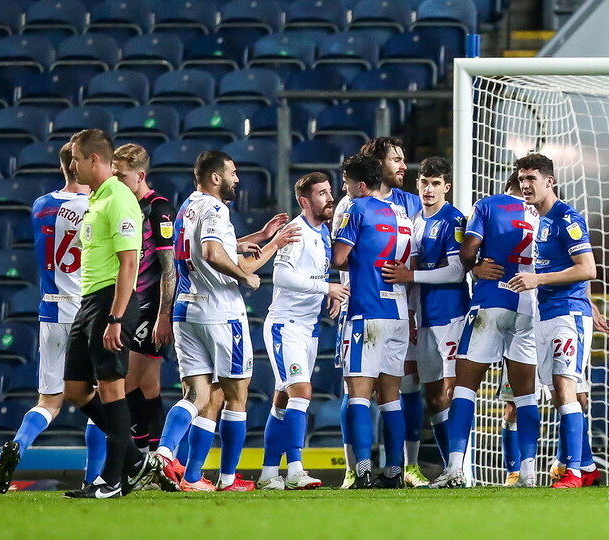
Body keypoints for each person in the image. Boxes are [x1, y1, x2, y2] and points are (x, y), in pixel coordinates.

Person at [153, 150, 296, 492]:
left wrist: (260, 238)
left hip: (186, 311)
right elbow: (214, 253)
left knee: (200, 394)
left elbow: (211, 247)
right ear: (215, 177)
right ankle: (229, 478)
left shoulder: (188, 206)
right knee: (236, 394)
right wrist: (246, 275)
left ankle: (170, 458)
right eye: (232, 173)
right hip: (220, 312)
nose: (237, 179)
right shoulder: (217, 209)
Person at [60, 129, 167, 498]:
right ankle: (136, 459)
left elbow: (128, 264)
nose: (72, 165)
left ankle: (113, 481)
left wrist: (117, 317)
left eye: (75, 158)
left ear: (93, 160)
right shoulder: (97, 197)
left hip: (111, 301)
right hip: (90, 300)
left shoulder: (120, 198)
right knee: (75, 389)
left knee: (110, 387)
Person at [0, 141, 98, 494]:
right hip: (83, 308)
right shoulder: (93, 208)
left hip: (50, 309)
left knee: (48, 401)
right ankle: (94, 475)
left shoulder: (40, 205)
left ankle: (18, 445)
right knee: (100, 394)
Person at [429, 165, 541, 489]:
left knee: (463, 387)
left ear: (507, 184)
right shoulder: (543, 213)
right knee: (524, 397)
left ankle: (454, 469)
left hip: (491, 303)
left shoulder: (487, 205)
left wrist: (475, 266)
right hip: (529, 308)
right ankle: (528, 473)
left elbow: (466, 252)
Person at [335, 136, 423, 488]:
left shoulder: (354, 208)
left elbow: (339, 258)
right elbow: (411, 262)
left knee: (357, 392)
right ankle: (396, 471)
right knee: (391, 396)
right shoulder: (402, 214)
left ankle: (360, 472)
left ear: (358, 184)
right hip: (398, 311)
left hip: (364, 309)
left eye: (344, 183)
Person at [506, 154, 597, 489]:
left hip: (568, 314)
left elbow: (588, 268)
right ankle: (585, 466)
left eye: (531, 178)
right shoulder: (539, 220)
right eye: (521, 179)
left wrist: (538, 281)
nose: (525, 185)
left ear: (549, 181)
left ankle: (572, 472)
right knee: (560, 394)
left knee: (564, 387)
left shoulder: (566, 218)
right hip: (547, 314)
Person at [258, 172, 349, 490]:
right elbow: (281, 277)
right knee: (302, 392)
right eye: (322, 194)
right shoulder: (295, 231)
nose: (330, 198)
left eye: (329, 192)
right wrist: (326, 287)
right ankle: (296, 469)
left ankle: (270, 473)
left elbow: (314, 275)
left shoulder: (324, 232)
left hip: (307, 328)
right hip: (285, 326)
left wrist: (328, 295)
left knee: (282, 399)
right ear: (304, 201)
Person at [382, 157, 470, 483]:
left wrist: (411, 273)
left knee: (448, 392)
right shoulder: (415, 220)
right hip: (423, 319)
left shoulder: (454, 220)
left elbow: (457, 271)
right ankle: (435, 469)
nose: (429, 189)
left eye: (435, 183)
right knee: (430, 397)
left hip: (451, 316)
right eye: (424, 183)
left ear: (447, 186)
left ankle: (458, 468)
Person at [111, 143, 176, 453]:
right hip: (132, 306)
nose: (116, 181)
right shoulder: (124, 207)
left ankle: (133, 454)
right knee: (149, 386)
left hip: (149, 309)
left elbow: (169, 268)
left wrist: (164, 316)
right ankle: (154, 454)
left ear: (139, 175)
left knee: (123, 385)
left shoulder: (159, 209)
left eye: (121, 176)